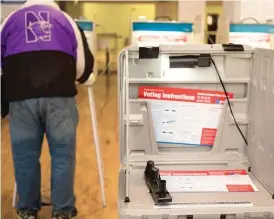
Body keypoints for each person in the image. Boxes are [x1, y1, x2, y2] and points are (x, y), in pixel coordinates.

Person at [1, 0, 94, 218]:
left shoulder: (10, 20)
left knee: (25, 156)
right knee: (62, 155)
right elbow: (83, 67)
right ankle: (62, 211)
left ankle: (27, 210)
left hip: (21, 97)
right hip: (60, 97)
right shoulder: (66, 20)